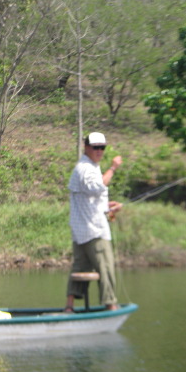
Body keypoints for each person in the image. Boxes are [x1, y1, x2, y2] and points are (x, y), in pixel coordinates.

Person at [65, 132, 123, 312]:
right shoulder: (85, 168)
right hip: (94, 230)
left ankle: (69, 308)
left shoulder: (91, 167)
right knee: (105, 267)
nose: (99, 151)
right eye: (95, 147)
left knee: (79, 267)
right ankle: (110, 305)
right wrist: (113, 168)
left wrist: (108, 206)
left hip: (82, 230)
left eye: (102, 147)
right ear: (87, 147)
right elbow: (97, 186)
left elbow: (90, 198)